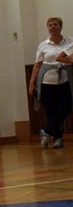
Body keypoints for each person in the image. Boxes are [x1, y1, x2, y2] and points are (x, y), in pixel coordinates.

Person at [29, 17, 72, 149]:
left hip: (63, 81)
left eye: (56, 24)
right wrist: (32, 83)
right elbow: (37, 65)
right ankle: (58, 139)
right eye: (50, 25)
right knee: (51, 111)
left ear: (61, 27)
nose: (53, 27)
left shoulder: (69, 42)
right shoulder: (43, 45)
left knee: (66, 108)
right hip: (47, 82)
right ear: (48, 28)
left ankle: (46, 130)